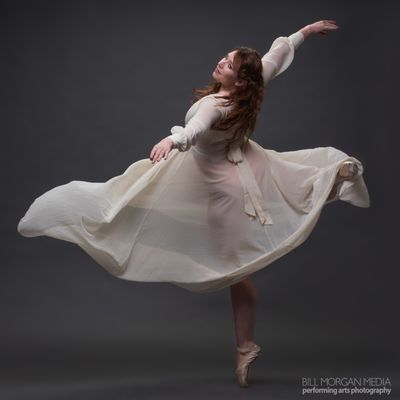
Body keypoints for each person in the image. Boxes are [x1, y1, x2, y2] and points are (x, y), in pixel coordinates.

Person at [17, 20, 370, 388]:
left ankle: (244, 343)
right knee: (250, 240)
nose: (221, 62)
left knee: (232, 266)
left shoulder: (217, 105)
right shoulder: (250, 88)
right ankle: (245, 344)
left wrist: (175, 141)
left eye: (229, 65)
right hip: (245, 169)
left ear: (241, 80)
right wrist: (307, 31)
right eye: (226, 58)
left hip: (222, 191)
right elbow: (275, 57)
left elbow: (198, 126)